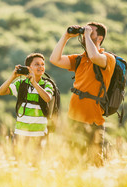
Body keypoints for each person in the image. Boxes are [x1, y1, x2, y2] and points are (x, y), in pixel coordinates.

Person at [49, 22, 116, 166]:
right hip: (74, 117)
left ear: (99, 38)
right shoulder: (79, 59)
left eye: (91, 33)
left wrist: (86, 34)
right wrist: (66, 36)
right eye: (85, 32)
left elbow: (94, 56)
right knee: (72, 159)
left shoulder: (107, 58)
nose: (86, 35)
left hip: (93, 120)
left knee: (95, 160)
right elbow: (54, 59)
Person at [0, 53, 53, 159]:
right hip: (21, 132)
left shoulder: (47, 84)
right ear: (29, 68)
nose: (41, 67)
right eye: (37, 64)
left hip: (39, 133)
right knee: (17, 162)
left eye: (42, 64)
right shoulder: (21, 84)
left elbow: (47, 98)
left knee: (36, 164)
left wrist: (34, 84)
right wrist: (13, 77)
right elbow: (1, 91)